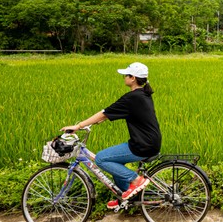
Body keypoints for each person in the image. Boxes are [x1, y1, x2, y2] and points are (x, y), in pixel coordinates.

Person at [62, 62, 161, 209]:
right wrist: (99, 120)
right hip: (148, 141)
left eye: (125, 75)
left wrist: (78, 126)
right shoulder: (142, 94)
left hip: (143, 145)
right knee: (115, 162)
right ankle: (124, 197)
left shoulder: (132, 98)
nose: (123, 78)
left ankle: (136, 181)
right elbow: (107, 115)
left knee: (102, 159)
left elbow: (104, 112)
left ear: (132, 78)